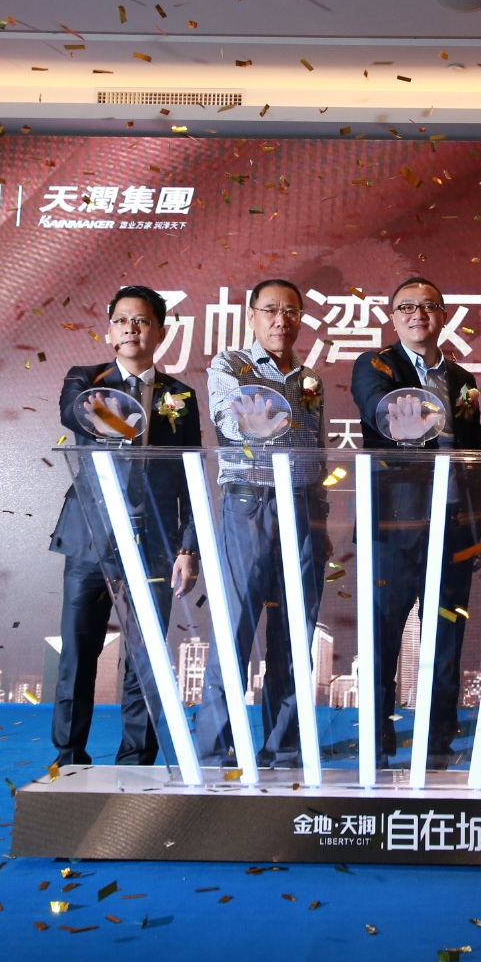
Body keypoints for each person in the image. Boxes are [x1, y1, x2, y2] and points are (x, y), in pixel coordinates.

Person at [47, 285, 202, 768]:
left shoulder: (180, 395)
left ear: (160, 331)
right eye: (121, 320)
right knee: (78, 655)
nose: (131, 328)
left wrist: (189, 547)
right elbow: (76, 414)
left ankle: (136, 761)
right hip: (91, 539)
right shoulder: (85, 378)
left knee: (145, 658)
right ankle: (69, 758)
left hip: (154, 542)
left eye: (141, 321)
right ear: (108, 331)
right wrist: (130, 418)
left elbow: (191, 472)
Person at [350, 276, 481, 767]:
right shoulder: (375, 365)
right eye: (407, 306)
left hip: (453, 527)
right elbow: (377, 410)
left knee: (446, 638)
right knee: (383, 637)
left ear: (443, 316)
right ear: (393, 317)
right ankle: (377, 740)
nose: (418, 314)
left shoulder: (463, 378)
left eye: (428, 306)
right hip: (393, 527)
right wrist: (403, 421)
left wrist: (480, 528)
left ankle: (436, 743)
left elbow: (475, 454)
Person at [194, 278, 330, 768]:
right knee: (235, 627)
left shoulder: (310, 378)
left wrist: (322, 516)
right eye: (270, 310)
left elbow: (316, 447)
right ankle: (214, 751)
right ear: (251, 315)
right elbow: (229, 421)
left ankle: (285, 749)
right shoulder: (231, 365)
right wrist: (257, 421)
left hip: (303, 506)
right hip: (249, 503)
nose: (281, 320)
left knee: (296, 633)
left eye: (291, 311)